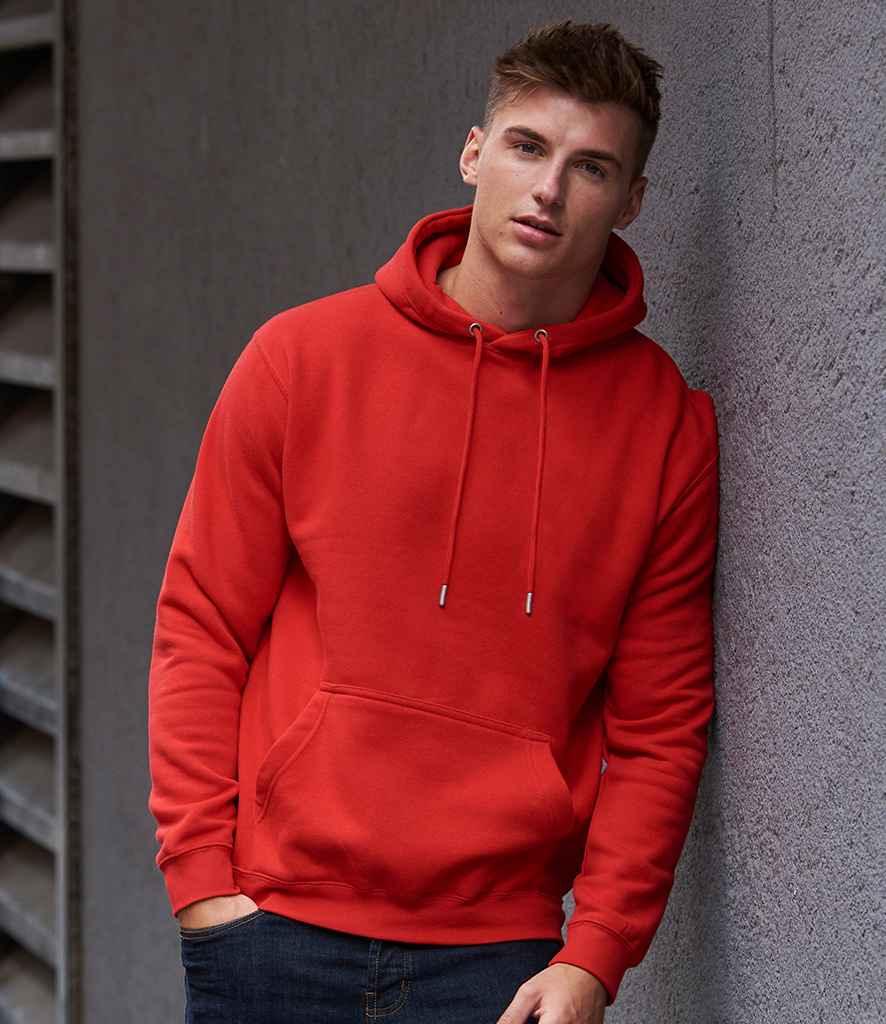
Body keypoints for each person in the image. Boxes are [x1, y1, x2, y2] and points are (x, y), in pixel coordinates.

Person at [147, 18, 720, 1024]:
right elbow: (201, 627)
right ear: (474, 153)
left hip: (499, 959)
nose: (548, 190)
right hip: (274, 928)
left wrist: (596, 953)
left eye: (590, 168)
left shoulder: (663, 426)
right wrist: (202, 884)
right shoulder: (303, 360)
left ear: (630, 201)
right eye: (527, 147)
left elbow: (660, 722)